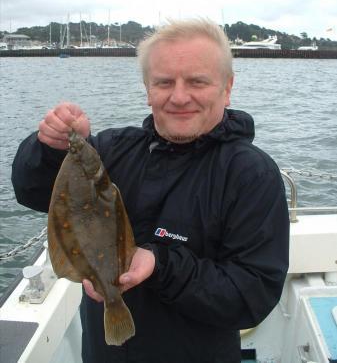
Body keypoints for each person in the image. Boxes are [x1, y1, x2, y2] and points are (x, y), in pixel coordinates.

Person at [12, 18, 289, 363]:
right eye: (164, 82)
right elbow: (33, 192)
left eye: (197, 81)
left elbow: (253, 295)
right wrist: (51, 147)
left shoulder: (251, 175)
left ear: (227, 87)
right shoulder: (111, 150)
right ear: (147, 89)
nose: (179, 96)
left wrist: (160, 265)